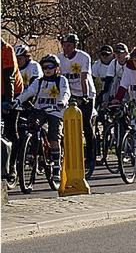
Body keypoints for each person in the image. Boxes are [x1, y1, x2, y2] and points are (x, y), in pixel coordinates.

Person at [11, 55, 70, 179]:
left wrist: (63, 102)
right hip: (40, 110)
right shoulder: (39, 81)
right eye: (44, 67)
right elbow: (28, 92)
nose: (47, 69)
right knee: (30, 126)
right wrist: (18, 101)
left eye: (50, 67)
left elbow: (65, 92)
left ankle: (56, 167)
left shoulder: (61, 80)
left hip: (55, 111)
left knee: (54, 137)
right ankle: (33, 151)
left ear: (56, 68)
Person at [57, 33, 96, 170]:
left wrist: (84, 96)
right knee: (64, 124)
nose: (66, 48)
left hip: (85, 93)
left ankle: (91, 156)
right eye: (64, 45)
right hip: (69, 93)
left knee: (85, 124)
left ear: (75, 46)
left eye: (69, 46)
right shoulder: (59, 58)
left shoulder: (83, 57)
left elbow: (84, 77)